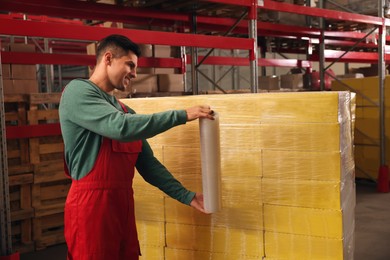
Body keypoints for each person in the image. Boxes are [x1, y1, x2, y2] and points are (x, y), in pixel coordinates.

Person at [59, 34, 214, 260]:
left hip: (122, 207)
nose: (134, 73)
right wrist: (182, 115)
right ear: (108, 59)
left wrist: (187, 196)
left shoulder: (124, 110)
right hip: (91, 208)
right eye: (130, 65)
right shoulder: (78, 92)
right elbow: (121, 128)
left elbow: (148, 165)